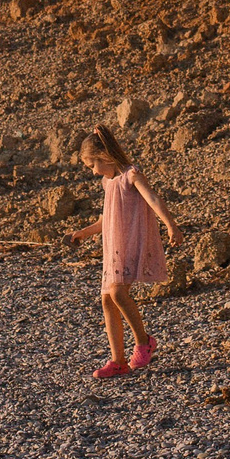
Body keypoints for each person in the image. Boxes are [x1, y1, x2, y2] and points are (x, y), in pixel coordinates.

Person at [64, 126, 176, 379]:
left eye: (92, 165)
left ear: (104, 156)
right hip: (113, 248)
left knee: (117, 292)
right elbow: (105, 220)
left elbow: (153, 199)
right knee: (107, 300)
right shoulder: (108, 182)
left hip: (131, 243)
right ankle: (118, 361)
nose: (92, 172)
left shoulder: (131, 175)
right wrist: (82, 232)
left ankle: (143, 341)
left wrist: (171, 226)